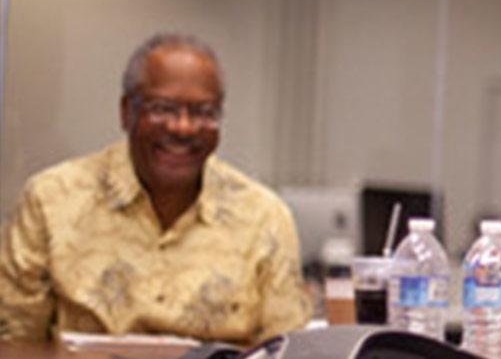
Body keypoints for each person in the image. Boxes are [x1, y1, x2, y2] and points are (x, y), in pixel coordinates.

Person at [0, 33, 310, 345]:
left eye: (204, 112)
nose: (183, 127)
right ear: (126, 112)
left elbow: (290, 350)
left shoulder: (263, 217)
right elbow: (13, 342)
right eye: (163, 108)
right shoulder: (52, 200)